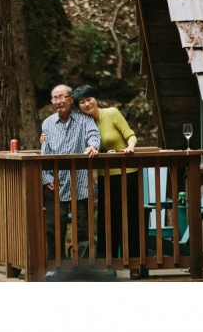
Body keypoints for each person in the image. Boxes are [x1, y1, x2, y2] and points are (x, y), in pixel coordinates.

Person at [74, 85, 141, 280]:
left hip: (127, 172)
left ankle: (134, 264)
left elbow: (130, 134)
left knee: (130, 219)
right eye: (82, 102)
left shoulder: (111, 113)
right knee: (107, 221)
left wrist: (130, 147)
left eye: (89, 99)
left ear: (96, 99)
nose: (87, 104)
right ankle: (109, 265)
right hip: (105, 176)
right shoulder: (85, 123)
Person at [41, 84, 100, 276]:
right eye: (54, 98)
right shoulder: (47, 124)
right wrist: (46, 178)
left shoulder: (84, 120)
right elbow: (45, 153)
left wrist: (92, 146)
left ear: (70, 99)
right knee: (53, 227)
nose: (58, 102)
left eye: (62, 97)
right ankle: (56, 267)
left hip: (80, 182)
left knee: (83, 226)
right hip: (55, 184)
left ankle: (82, 268)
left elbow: (94, 134)